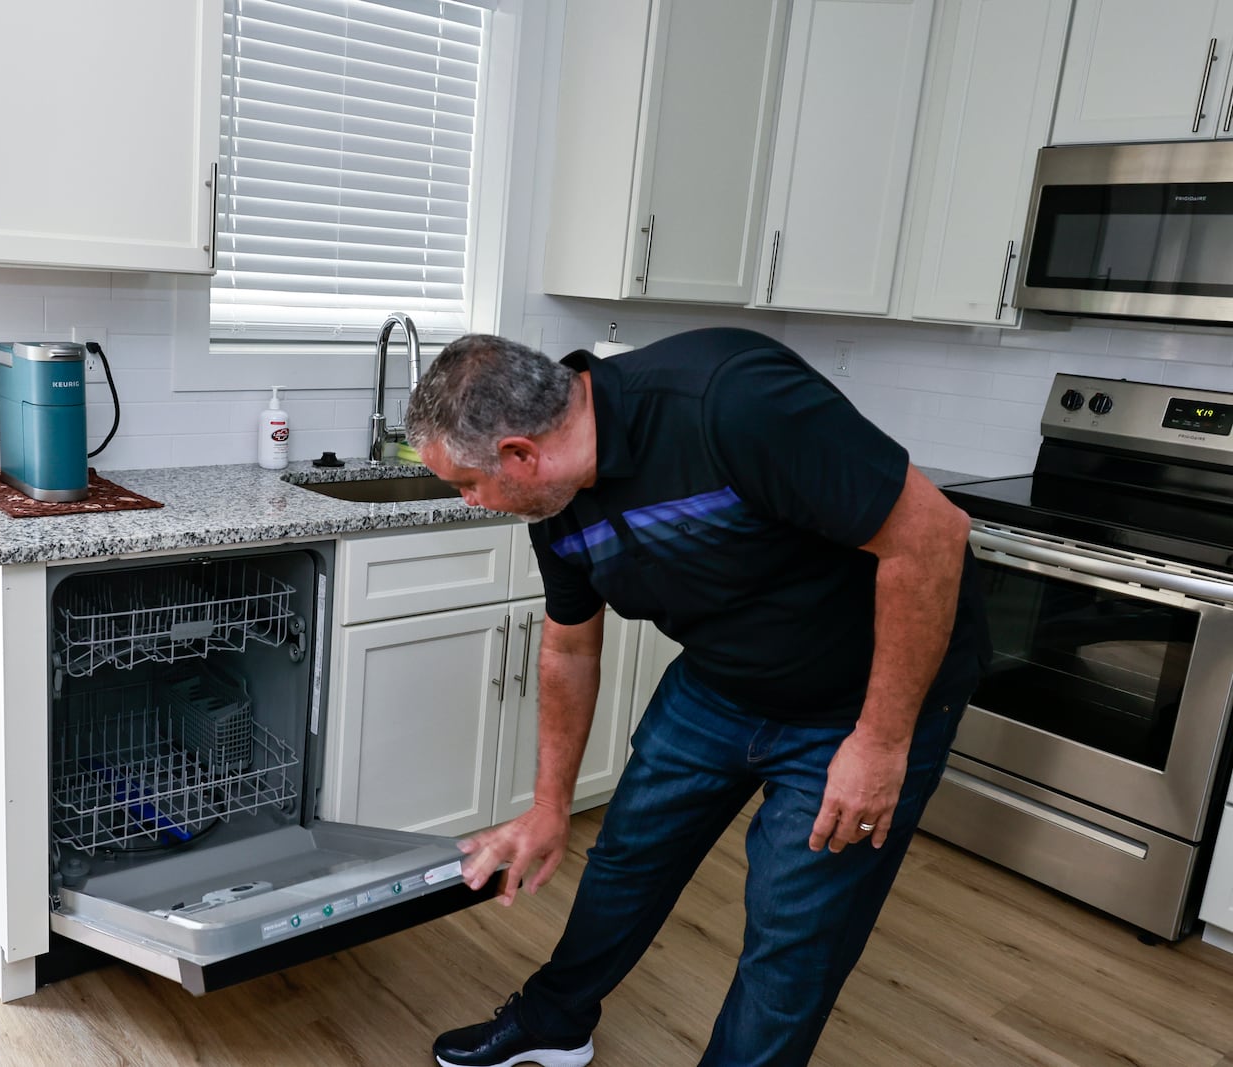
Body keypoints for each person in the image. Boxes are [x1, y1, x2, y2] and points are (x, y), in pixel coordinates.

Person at [402, 328, 988, 1067]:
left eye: (468, 484)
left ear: (521, 453)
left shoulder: (730, 402)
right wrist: (550, 804)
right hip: (719, 682)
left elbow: (934, 535)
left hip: (859, 702)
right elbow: (570, 646)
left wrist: (878, 742)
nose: (469, 501)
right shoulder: (555, 507)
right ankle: (555, 1021)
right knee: (626, 860)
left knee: (791, 936)